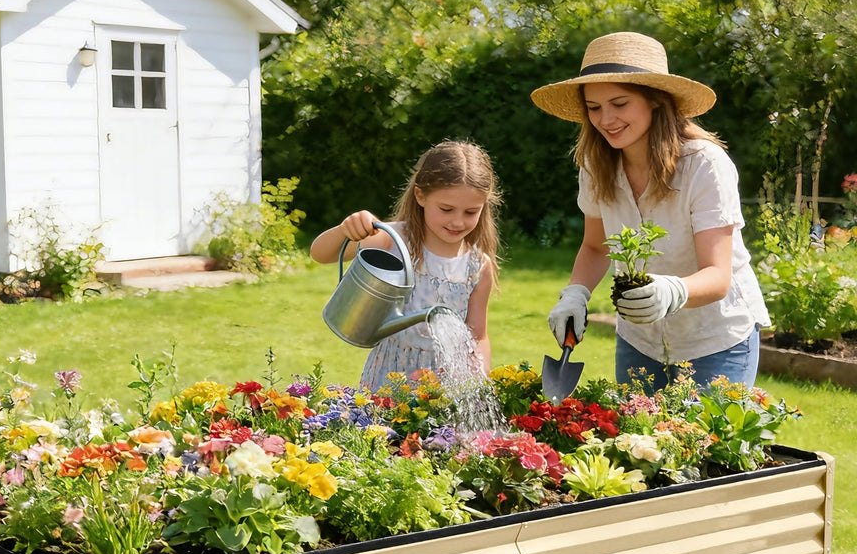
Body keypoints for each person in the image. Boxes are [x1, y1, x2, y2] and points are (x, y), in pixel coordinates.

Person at [532, 31, 769, 391]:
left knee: (704, 431)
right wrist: (576, 293)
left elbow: (718, 276)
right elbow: (596, 247)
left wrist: (673, 290)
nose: (606, 119)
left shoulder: (703, 165)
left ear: (655, 100)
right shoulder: (596, 165)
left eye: (619, 103)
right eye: (594, 108)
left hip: (715, 340)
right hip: (639, 340)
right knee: (637, 429)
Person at [310, 140, 500, 392]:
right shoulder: (394, 241)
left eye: (470, 212)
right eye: (446, 209)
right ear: (420, 195)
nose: (457, 221)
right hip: (389, 376)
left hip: (442, 384)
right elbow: (320, 254)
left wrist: (479, 374)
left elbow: (477, 335)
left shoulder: (477, 266)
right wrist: (346, 230)